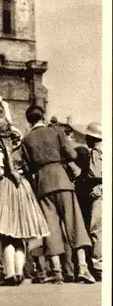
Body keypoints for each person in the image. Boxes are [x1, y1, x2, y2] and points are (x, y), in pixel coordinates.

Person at [22, 105, 95, 284]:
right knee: (75, 223)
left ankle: (56, 271)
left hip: (42, 184)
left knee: (50, 227)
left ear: (28, 120)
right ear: (43, 117)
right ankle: (83, 268)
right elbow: (71, 153)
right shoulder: (56, 131)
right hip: (63, 180)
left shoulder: (26, 139)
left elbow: (27, 167)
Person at [0, 114, 50, 286]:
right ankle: (20, 272)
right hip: (23, 188)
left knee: (7, 235)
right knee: (20, 235)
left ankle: (10, 273)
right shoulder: (20, 148)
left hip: (5, 188)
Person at [77, 122, 103, 281]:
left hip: (99, 193)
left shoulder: (96, 152)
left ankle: (99, 266)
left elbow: (94, 173)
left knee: (96, 230)